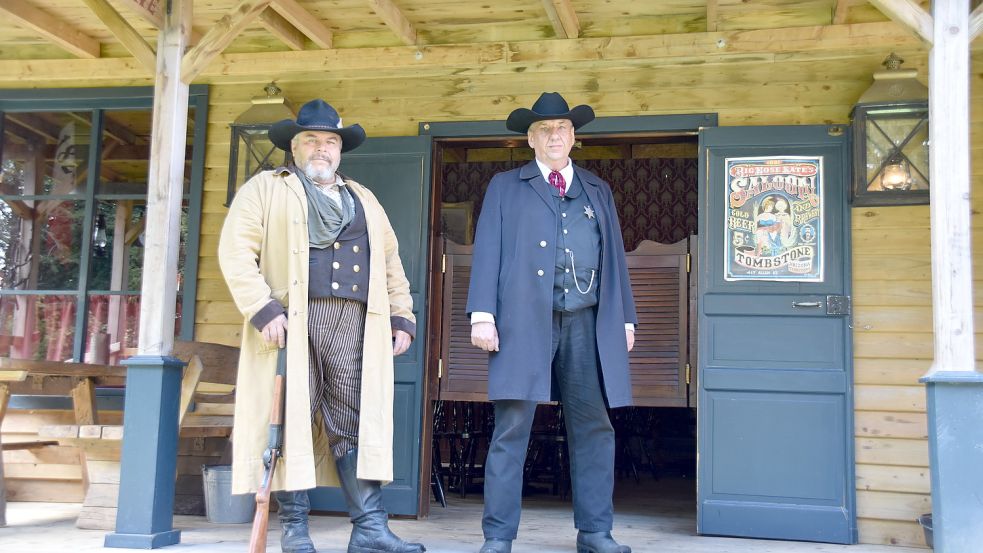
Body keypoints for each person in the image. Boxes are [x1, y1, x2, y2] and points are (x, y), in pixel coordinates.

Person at [218, 99, 425, 553]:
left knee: (354, 416)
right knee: (291, 415)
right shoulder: (265, 189)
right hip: (290, 320)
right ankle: (294, 530)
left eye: (330, 141)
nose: (321, 148)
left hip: (354, 322)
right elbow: (235, 251)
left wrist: (401, 316)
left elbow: (390, 263)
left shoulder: (364, 199)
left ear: (339, 150)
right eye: (311, 139)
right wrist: (262, 308)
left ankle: (369, 528)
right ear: (294, 147)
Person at [467, 92, 637, 553]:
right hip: (522, 323)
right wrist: (482, 313)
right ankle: (498, 536)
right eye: (544, 129)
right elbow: (487, 250)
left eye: (561, 128)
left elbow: (615, 261)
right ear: (530, 139)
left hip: (587, 323)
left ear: (574, 137)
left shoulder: (598, 190)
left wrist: (625, 320)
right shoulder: (505, 186)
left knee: (594, 427)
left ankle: (596, 532)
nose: (554, 135)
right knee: (511, 428)